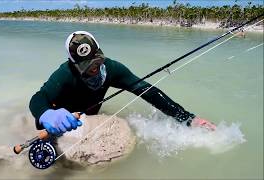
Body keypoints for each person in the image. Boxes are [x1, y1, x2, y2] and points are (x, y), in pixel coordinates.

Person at [29, 31, 216, 136]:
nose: (94, 69)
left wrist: (187, 118)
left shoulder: (113, 69)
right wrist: (46, 114)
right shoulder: (65, 73)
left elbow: (148, 91)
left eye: (96, 61)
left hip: (90, 118)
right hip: (62, 120)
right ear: (74, 64)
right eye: (87, 66)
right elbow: (38, 98)